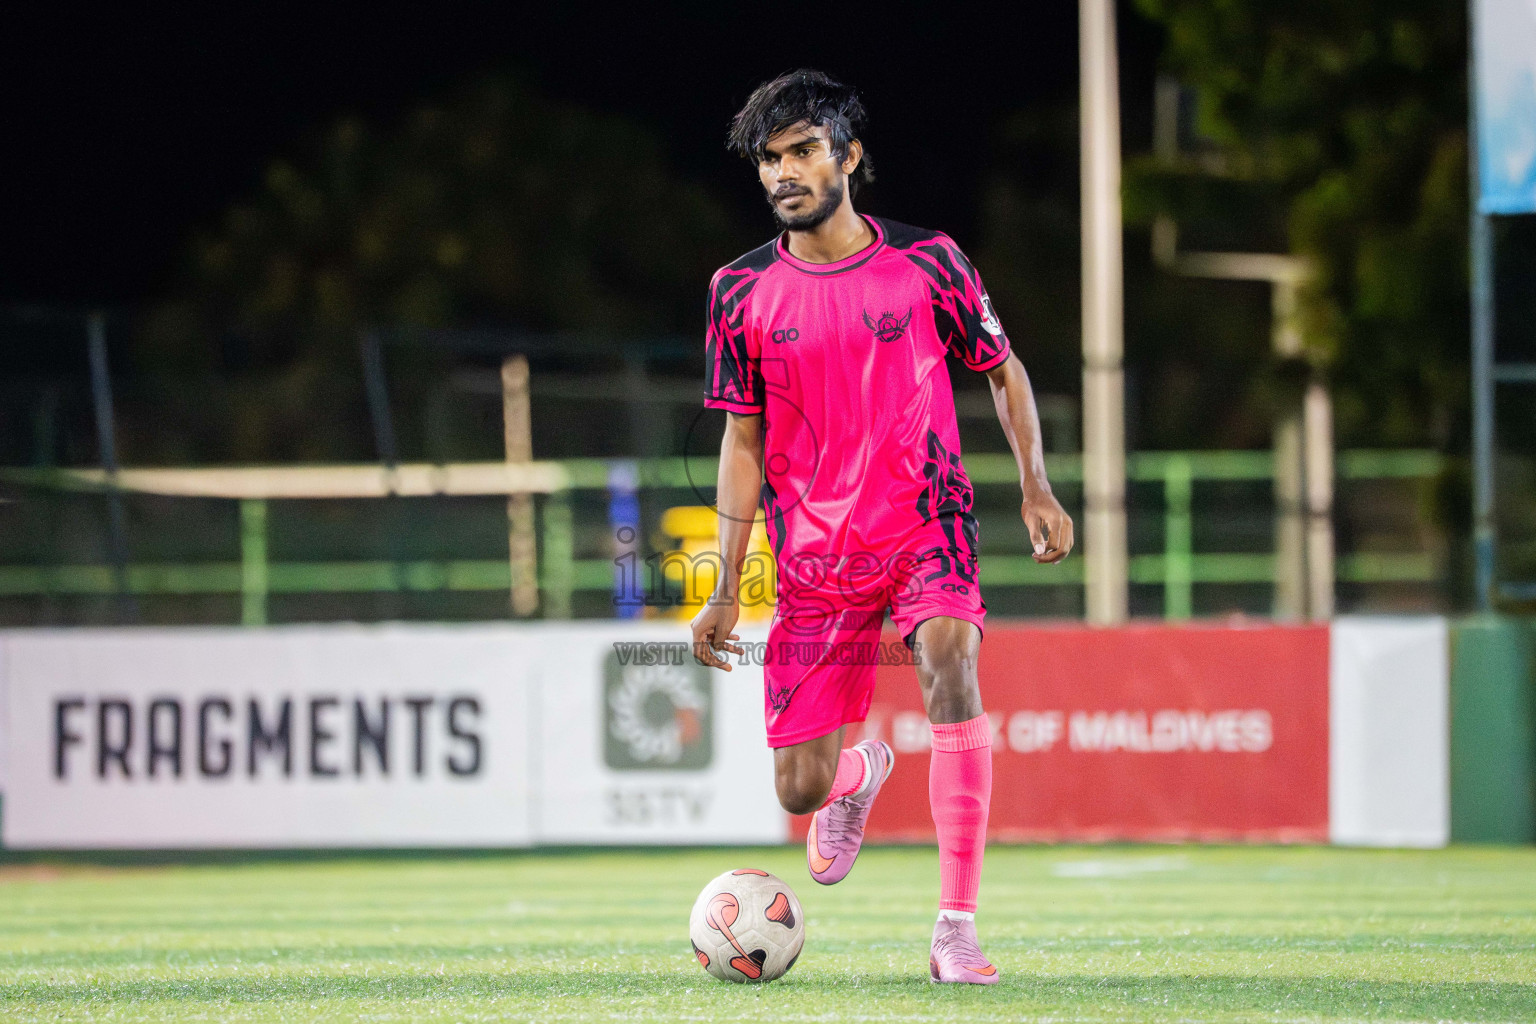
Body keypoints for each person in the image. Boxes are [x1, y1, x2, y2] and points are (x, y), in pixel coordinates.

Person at [691, 69, 1072, 985]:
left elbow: (1003, 367)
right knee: (801, 789)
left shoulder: (930, 261)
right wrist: (725, 584)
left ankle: (955, 929)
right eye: (769, 160)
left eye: (803, 150)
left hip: (926, 524)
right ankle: (859, 775)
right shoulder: (737, 292)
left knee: (949, 660)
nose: (784, 173)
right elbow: (742, 440)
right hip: (815, 560)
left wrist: (1036, 486)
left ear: (849, 156)